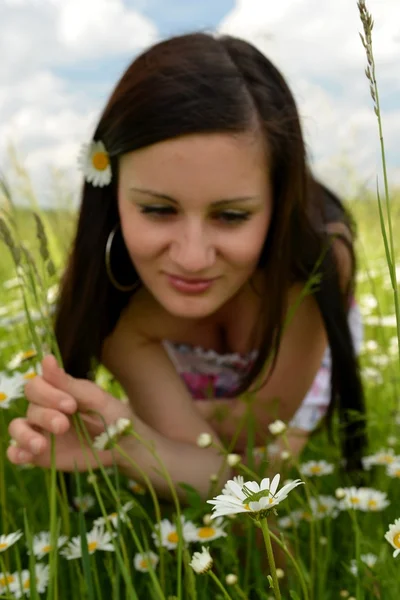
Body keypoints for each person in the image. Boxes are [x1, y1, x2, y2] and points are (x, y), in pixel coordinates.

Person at [7, 32, 367, 500]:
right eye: (158, 210)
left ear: (278, 203)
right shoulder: (117, 309)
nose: (192, 258)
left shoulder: (315, 264)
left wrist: (166, 432)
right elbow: (222, 479)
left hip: (301, 327)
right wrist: (128, 442)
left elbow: (256, 431)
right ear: (111, 193)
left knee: (277, 460)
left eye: (232, 215)